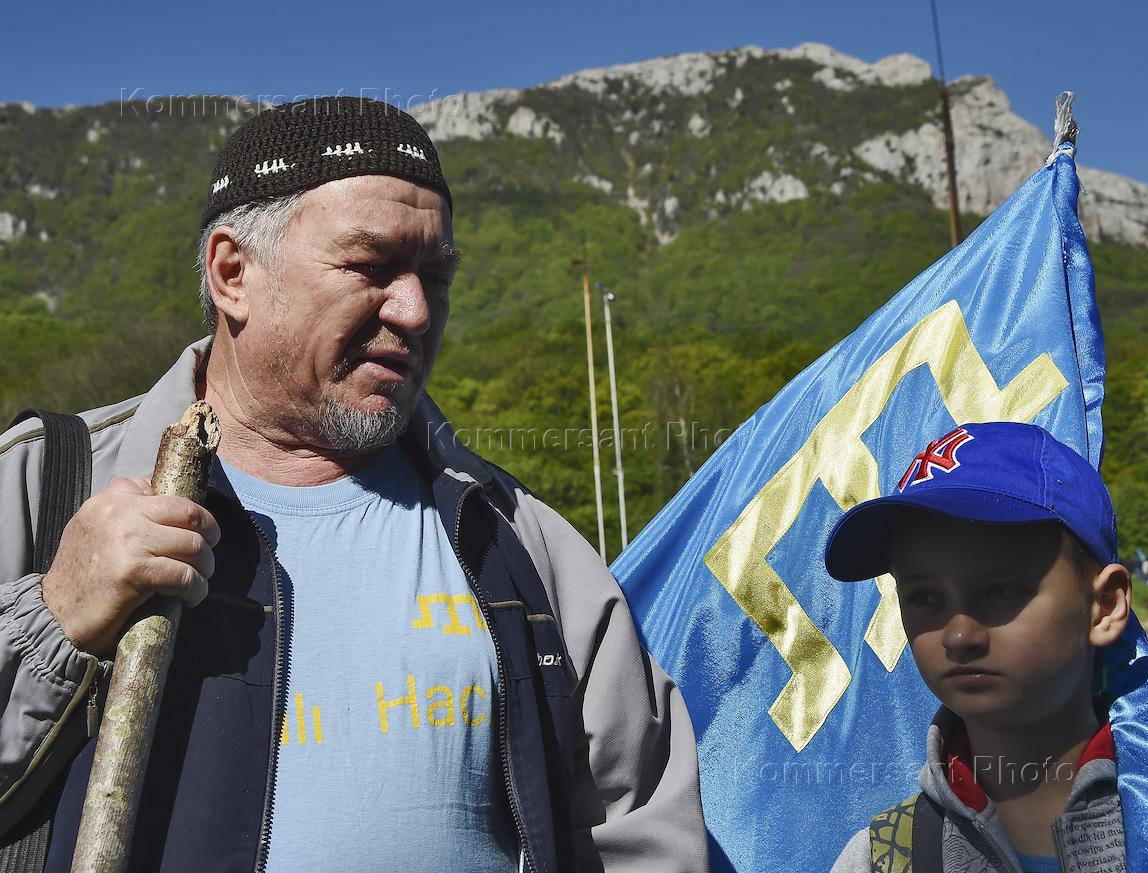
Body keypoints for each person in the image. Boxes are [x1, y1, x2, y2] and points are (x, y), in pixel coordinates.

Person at [0, 97, 707, 872]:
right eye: (370, 267)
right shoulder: (41, 485)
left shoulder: (517, 536)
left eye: (435, 275)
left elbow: (645, 830)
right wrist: (52, 622)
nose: (414, 310)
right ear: (233, 274)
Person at [823, 422, 1131, 873]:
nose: (960, 636)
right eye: (925, 597)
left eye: (1000, 591)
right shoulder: (883, 857)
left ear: (1103, 606)